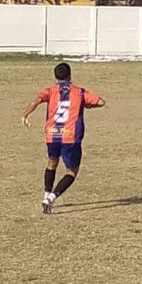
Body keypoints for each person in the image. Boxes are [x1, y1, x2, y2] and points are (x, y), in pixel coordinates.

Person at [20, 63, 106, 214]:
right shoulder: (79, 92)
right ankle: (51, 198)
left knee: (51, 163)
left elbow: (36, 101)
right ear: (70, 75)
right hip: (70, 135)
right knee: (72, 171)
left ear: (55, 76)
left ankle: (46, 194)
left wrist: (25, 115)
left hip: (52, 133)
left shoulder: (50, 91)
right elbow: (101, 101)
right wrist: (87, 105)